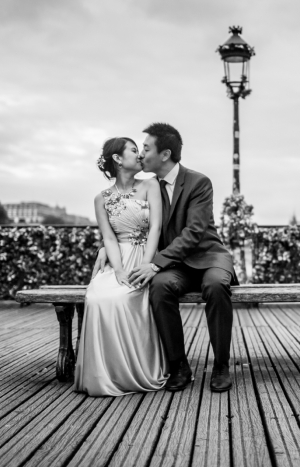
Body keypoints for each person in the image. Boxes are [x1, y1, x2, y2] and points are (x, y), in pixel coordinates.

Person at [94, 122, 238, 393]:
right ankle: (179, 366)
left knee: (216, 286)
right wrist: (104, 247)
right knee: (160, 287)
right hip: (176, 265)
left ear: (165, 154)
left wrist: (154, 263)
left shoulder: (198, 181)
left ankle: (221, 365)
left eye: (146, 148)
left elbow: (195, 232)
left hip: (208, 257)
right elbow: (128, 223)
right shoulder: (146, 187)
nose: (141, 154)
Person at [73, 136, 168, 396]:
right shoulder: (101, 198)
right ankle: (106, 374)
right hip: (119, 258)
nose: (140, 156)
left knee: (124, 298)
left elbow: (156, 227)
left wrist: (147, 265)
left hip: (146, 254)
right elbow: (109, 238)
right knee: (96, 297)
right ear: (117, 159)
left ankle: (134, 370)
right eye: (134, 150)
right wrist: (118, 270)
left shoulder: (151, 185)